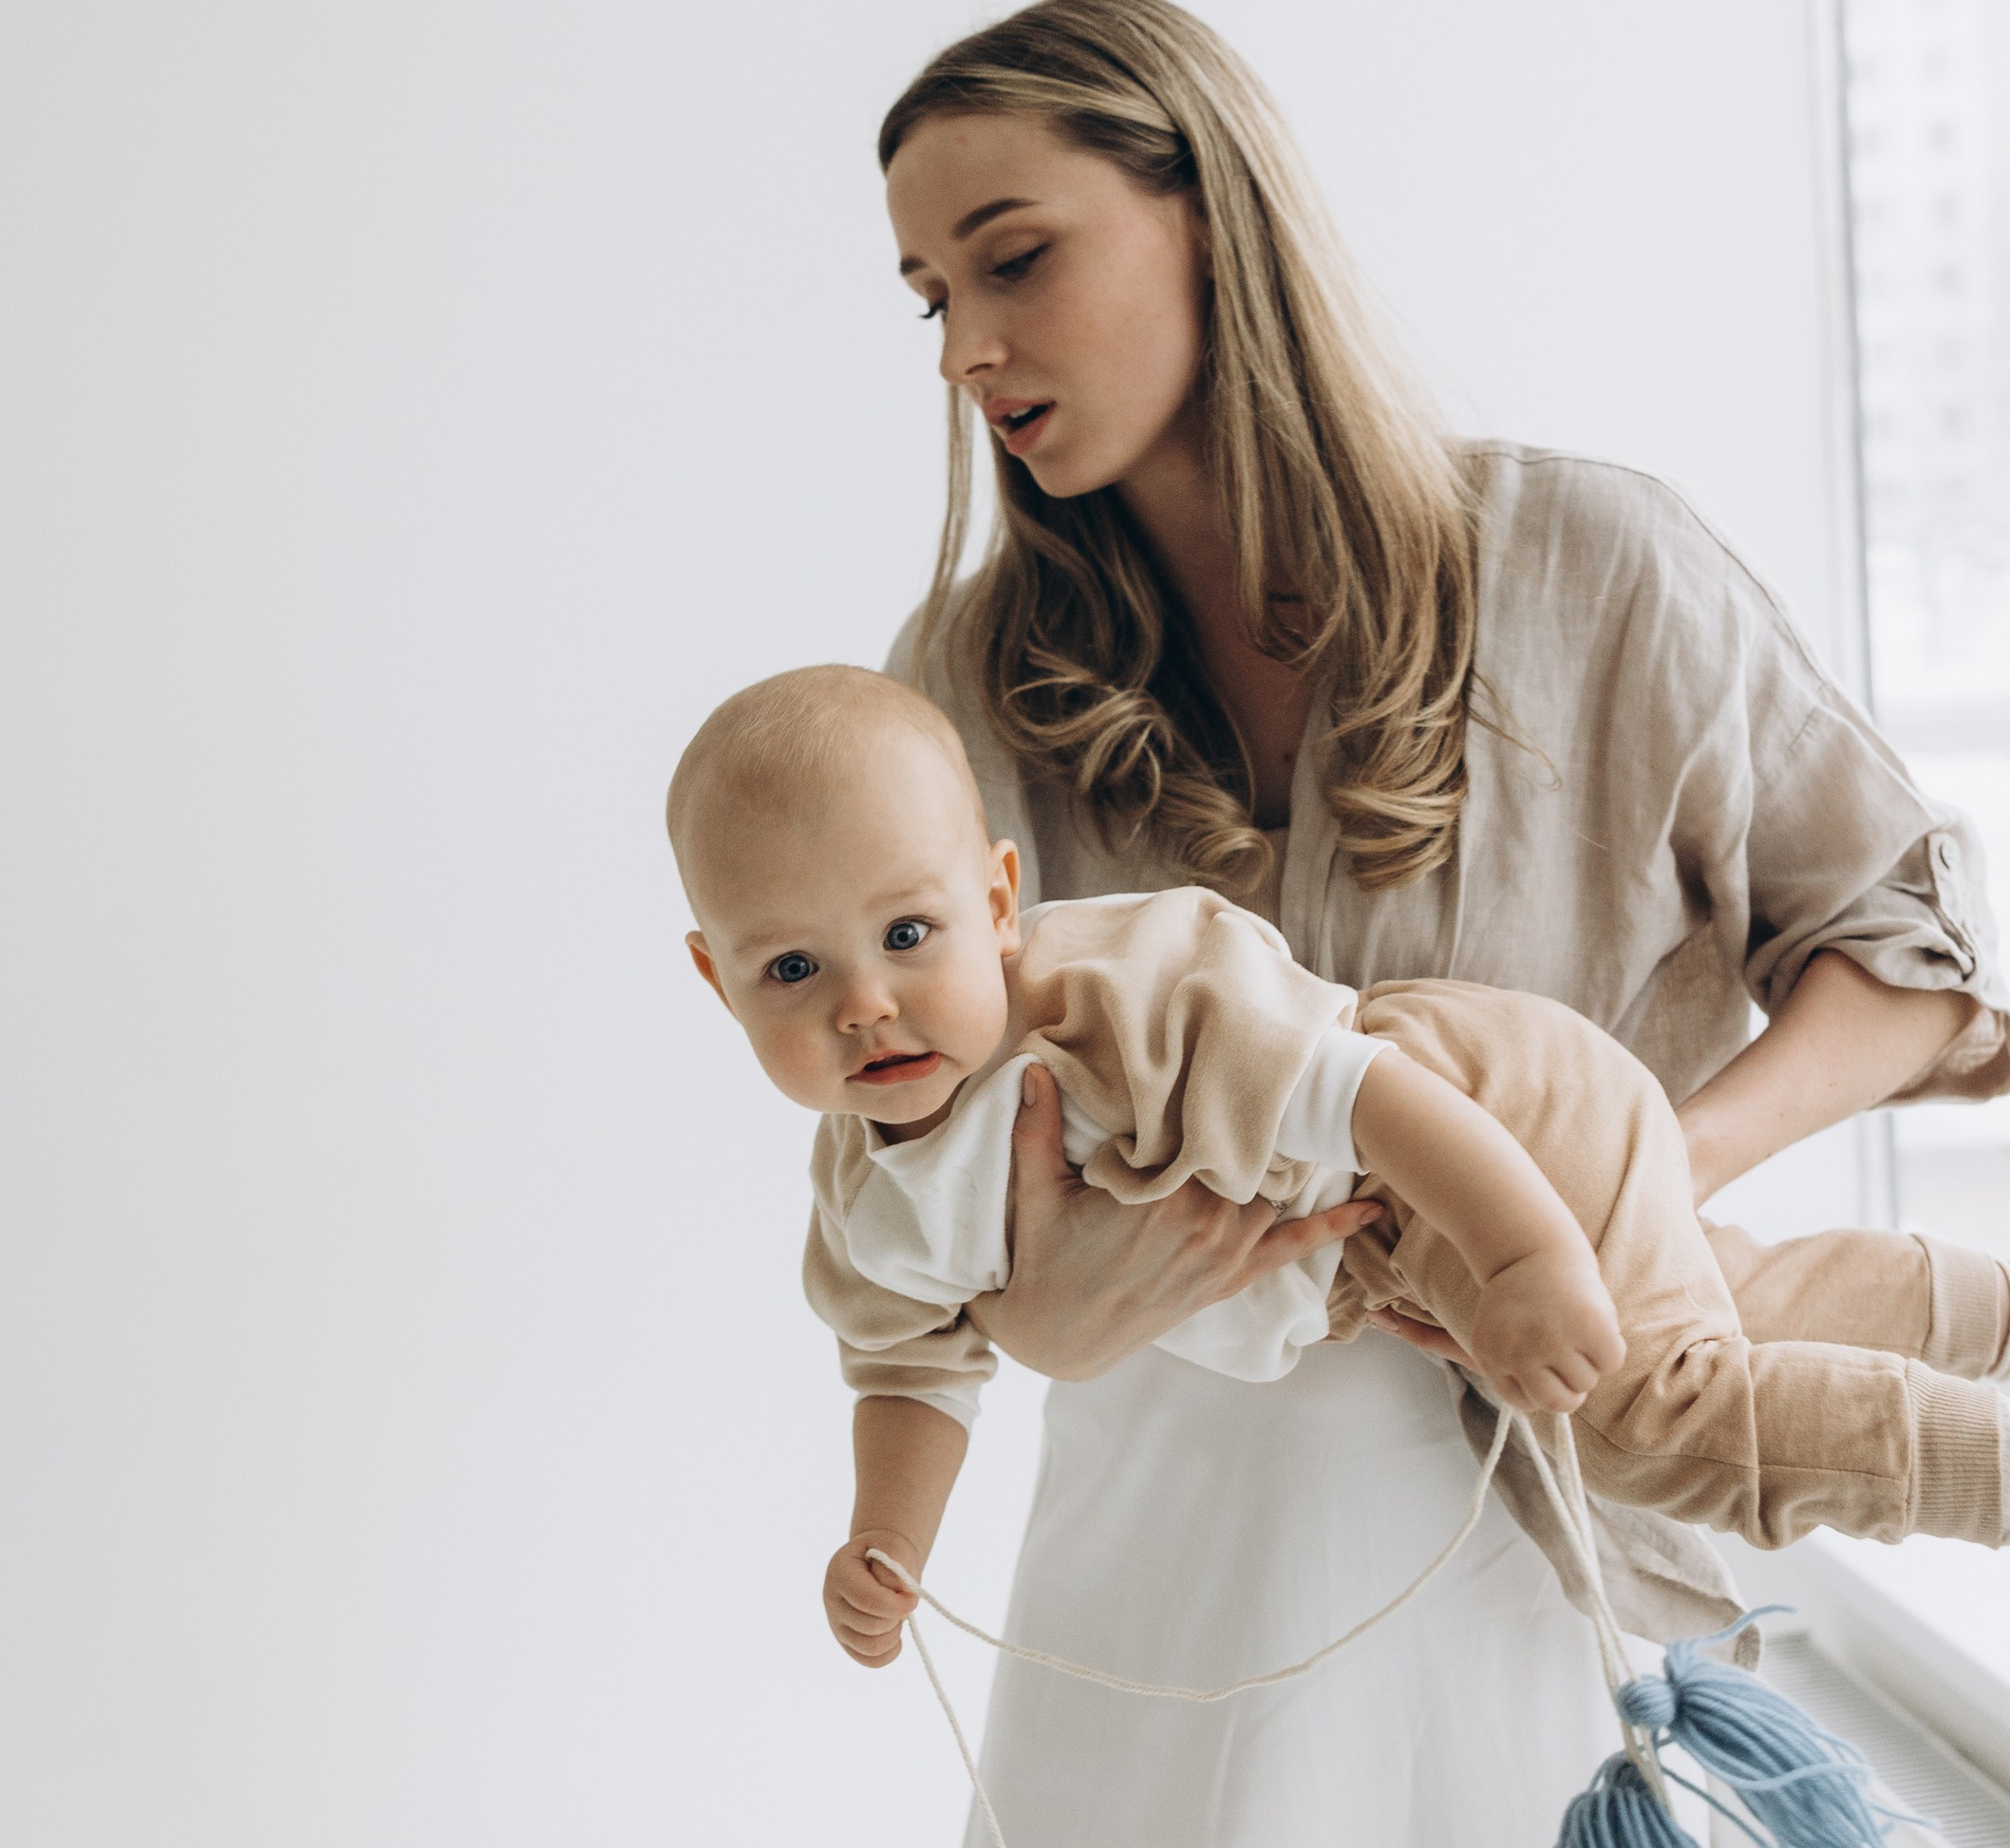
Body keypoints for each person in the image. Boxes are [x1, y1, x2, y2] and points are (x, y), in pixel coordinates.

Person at [842, 0, 2004, 1848]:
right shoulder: (967, 697)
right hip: (1173, 1582)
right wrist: (1041, 1308)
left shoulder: (1588, 559)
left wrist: (1626, 1181)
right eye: (930, 296)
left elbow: (1913, 962)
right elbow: (940, 1206)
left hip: (1539, 1565)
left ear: (1205, 210)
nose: (974, 350)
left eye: (1016, 258)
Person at [665, 663, 2010, 1564]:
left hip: (1468, 1109)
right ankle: (1981, 1313)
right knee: (1733, 1294)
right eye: (795, 970)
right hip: (1416, 1203)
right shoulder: (860, 1212)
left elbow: (1366, 1096)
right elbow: (911, 1369)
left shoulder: (1108, 1002)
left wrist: (1524, 1257)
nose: (867, 1006)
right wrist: (887, 1547)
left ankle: (1983, 1473)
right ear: (717, 981)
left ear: (1002, 904)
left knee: (1641, 1417)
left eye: (909, 933)